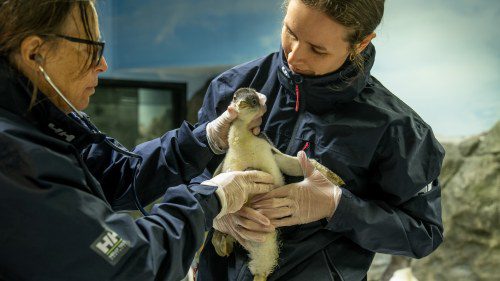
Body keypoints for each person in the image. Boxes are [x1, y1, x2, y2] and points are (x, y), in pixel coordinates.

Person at [0, 1, 274, 280]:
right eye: (92, 48)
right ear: (35, 53)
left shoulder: (39, 125)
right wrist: (209, 199)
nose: (103, 65)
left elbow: (112, 174)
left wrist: (204, 140)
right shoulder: (12, 160)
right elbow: (125, 263)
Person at [195, 0, 445, 280]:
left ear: (361, 44)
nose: (294, 57)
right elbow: (192, 176)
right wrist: (216, 211)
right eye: (291, 32)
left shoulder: (399, 129)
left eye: (317, 49)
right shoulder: (232, 87)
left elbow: (423, 234)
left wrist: (338, 207)